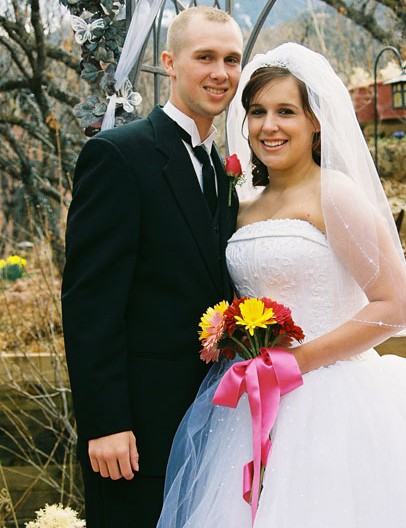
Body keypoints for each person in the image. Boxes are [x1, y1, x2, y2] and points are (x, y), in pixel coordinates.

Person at [157, 43, 406, 528]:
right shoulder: (242, 204)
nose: (270, 126)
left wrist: (299, 360)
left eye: (287, 111)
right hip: (252, 398)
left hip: (333, 396)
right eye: (258, 112)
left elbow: (394, 305)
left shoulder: (336, 194)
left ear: (315, 122)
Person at [61, 6, 243, 527]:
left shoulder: (223, 165)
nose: (220, 72)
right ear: (169, 62)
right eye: (204, 57)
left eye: (230, 59)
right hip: (134, 436)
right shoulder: (117, 156)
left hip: (213, 425)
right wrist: (106, 422)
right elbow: (90, 301)